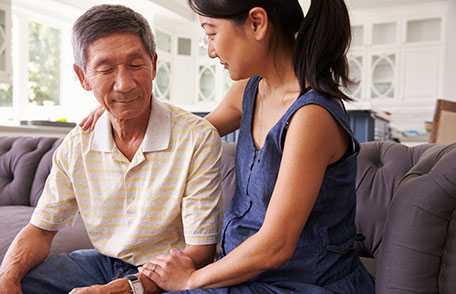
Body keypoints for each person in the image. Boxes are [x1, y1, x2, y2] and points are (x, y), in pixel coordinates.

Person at [81, 0, 375, 293]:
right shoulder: (250, 89)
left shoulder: (311, 117)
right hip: (244, 275)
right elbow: (186, 136)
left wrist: (191, 280)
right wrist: (122, 112)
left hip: (302, 284)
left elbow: (276, 245)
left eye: (211, 33)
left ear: (257, 23)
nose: (210, 51)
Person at [0, 4, 223, 294]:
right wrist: (7, 277)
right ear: (83, 77)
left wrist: (126, 289)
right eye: (105, 69)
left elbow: (201, 251)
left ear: (154, 65)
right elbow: (41, 230)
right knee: (20, 280)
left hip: (172, 274)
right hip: (103, 262)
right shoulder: (77, 145)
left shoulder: (197, 138)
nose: (124, 84)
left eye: (135, 65)